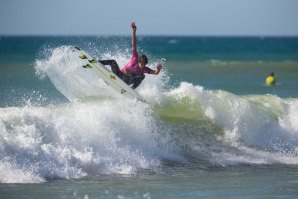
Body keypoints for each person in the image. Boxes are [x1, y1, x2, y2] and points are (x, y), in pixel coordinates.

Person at [99, 22, 163, 89]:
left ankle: (131, 90)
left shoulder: (144, 69)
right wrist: (134, 31)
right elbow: (134, 45)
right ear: (139, 62)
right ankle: (96, 62)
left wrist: (158, 69)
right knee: (112, 62)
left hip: (127, 81)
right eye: (143, 64)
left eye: (145, 64)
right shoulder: (134, 58)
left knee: (142, 76)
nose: (144, 66)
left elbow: (155, 73)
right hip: (120, 76)